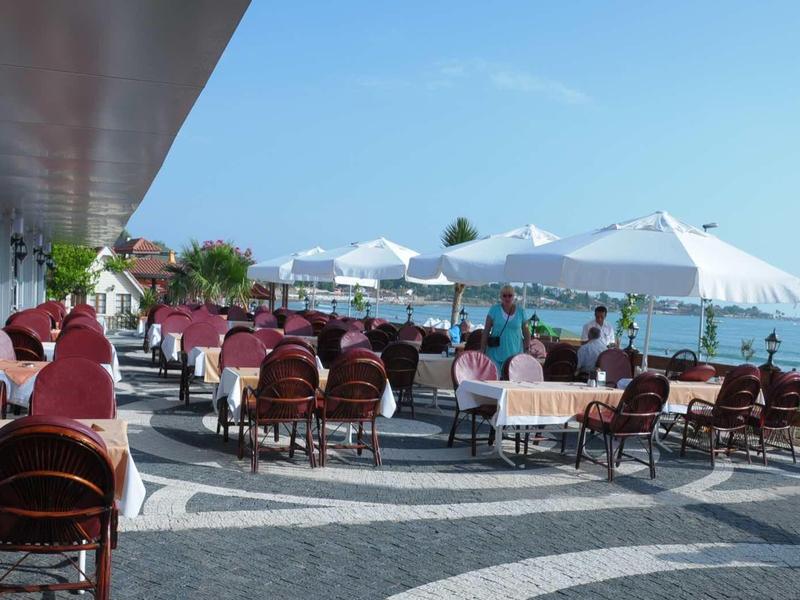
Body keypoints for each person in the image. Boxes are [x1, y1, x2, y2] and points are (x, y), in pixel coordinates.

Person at [481, 285, 531, 372]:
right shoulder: (494, 310)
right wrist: (482, 349)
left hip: (515, 353)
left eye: (510, 295)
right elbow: (486, 331)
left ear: (513, 297)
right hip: (495, 353)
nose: (507, 298)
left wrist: (527, 349)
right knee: (495, 378)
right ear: (501, 297)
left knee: (513, 379)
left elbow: (526, 332)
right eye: (504, 295)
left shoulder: (521, 312)